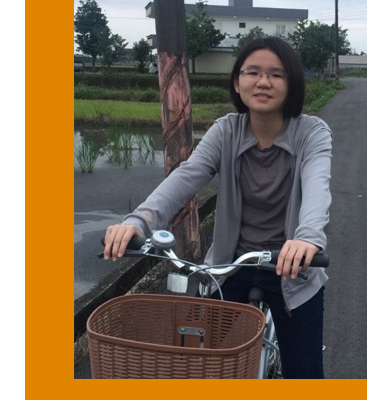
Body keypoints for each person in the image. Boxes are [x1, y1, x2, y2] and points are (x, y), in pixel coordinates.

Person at [103, 36, 332, 378]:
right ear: (237, 83)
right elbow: (185, 177)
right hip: (231, 266)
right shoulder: (226, 131)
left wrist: (307, 238)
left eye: (276, 74)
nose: (263, 82)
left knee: (305, 376)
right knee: (200, 367)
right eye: (252, 72)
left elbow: (317, 187)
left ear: (292, 84)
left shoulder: (311, 133)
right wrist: (138, 221)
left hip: (292, 267)